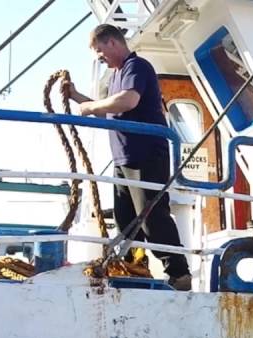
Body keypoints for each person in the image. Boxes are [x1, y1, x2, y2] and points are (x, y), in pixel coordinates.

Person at [63, 24, 191, 290]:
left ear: (112, 42)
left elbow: (128, 100)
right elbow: (109, 110)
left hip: (146, 156)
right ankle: (133, 269)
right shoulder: (116, 76)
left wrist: (90, 107)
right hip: (124, 160)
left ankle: (179, 274)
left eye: (99, 51)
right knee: (125, 220)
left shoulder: (137, 66)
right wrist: (76, 97)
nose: (99, 58)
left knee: (153, 217)